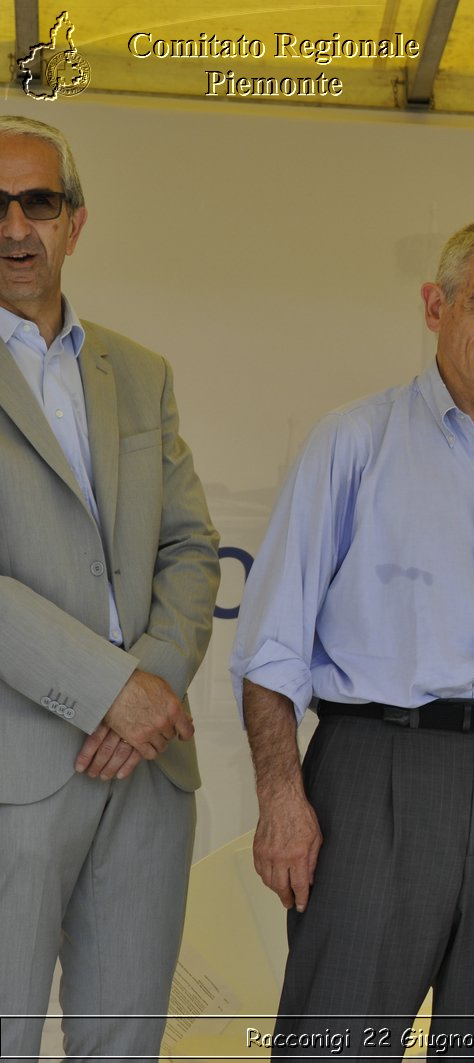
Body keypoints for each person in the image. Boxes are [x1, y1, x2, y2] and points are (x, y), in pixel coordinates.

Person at [230, 217, 474, 1058]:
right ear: (437, 306)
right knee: (338, 1040)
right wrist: (283, 799)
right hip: (376, 772)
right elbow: (271, 643)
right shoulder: (354, 441)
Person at [0, 116, 221, 1060]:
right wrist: (112, 691)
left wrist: (154, 684)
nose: (15, 228)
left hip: (146, 771)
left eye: (37, 203)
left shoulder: (139, 372)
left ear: (75, 222)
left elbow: (191, 546)